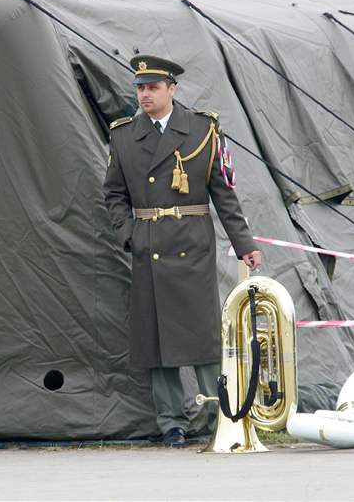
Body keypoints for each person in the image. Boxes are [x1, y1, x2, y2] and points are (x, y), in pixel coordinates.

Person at [103, 55, 262, 446]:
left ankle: (217, 415)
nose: (145, 95)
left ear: (172, 90)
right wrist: (130, 235)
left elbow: (223, 193)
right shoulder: (123, 135)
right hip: (149, 246)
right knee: (156, 343)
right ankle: (170, 422)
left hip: (192, 245)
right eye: (140, 88)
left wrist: (245, 245)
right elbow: (114, 194)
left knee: (203, 337)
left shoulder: (204, 130)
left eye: (153, 88)